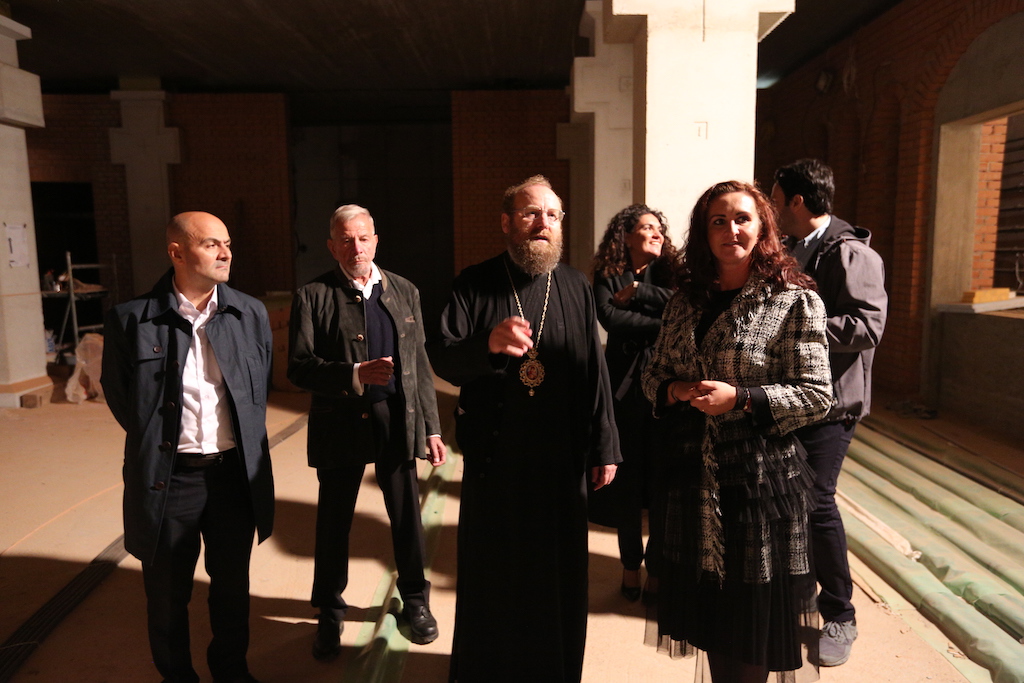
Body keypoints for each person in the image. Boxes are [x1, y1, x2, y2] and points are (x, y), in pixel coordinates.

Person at [428, 175, 621, 682]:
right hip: (497, 461)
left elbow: (593, 371)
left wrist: (606, 445)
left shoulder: (576, 285)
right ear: (506, 222)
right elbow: (442, 357)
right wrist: (488, 345)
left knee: (556, 577)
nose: (543, 223)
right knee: (497, 576)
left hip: (561, 461)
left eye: (552, 215)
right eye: (531, 213)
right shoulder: (474, 283)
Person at [642, 181, 834, 683]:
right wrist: (676, 390)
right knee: (712, 619)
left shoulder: (793, 300)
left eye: (742, 218)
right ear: (704, 234)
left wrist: (743, 398)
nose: (731, 229)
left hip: (757, 481)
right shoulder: (684, 301)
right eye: (719, 221)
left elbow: (817, 395)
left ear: (763, 227)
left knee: (750, 624)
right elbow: (652, 375)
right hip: (692, 478)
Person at [102, 211, 274, 683]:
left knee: (232, 589)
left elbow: (257, 393)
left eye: (228, 244)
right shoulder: (131, 319)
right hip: (169, 479)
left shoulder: (250, 313)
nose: (225, 253)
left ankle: (231, 671)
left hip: (233, 476)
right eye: (211, 244)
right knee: (167, 595)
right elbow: (123, 399)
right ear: (177, 252)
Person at [287, 204, 446, 661]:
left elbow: (418, 364)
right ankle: (329, 610)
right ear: (332, 246)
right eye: (346, 239)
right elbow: (298, 367)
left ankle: (414, 599)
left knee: (407, 517)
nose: (356, 247)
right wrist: (355, 374)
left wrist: (432, 427)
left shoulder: (405, 291)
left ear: (375, 241)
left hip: (396, 420)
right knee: (334, 522)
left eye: (363, 238)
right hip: (339, 423)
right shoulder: (313, 295)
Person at [772, 159, 887, 667]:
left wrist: (798, 324)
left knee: (817, 503)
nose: (773, 209)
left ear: (797, 201)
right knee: (789, 501)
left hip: (833, 404)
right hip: (795, 399)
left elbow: (867, 326)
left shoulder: (850, 252)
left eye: (777, 200)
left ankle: (841, 614)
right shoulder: (796, 247)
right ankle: (800, 590)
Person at [590, 204, 676, 602]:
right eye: (647, 227)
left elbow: (684, 310)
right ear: (626, 236)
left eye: (659, 228)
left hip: (665, 391)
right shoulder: (608, 273)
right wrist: (660, 323)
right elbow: (609, 318)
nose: (657, 234)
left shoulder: (670, 273)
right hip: (623, 393)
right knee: (627, 484)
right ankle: (629, 567)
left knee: (661, 486)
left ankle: (656, 571)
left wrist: (640, 293)